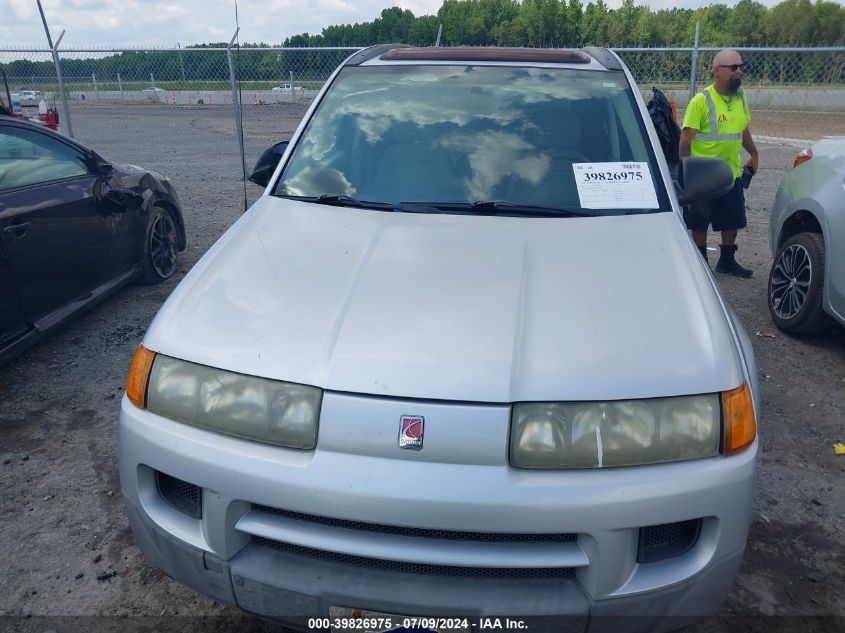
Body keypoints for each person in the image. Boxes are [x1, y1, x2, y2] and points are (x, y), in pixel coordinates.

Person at [680, 49, 759, 277]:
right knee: (699, 221)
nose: (739, 71)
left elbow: (743, 128)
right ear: (716, 71)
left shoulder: (740, 97)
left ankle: (726, 260)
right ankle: (701, 263)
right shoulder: (701, 101)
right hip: (704, 177)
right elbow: (685, 138)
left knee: (732, 220)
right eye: (733, 67)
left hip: (731, 173)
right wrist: (687, 172)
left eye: (740, 66)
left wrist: (754, 153)